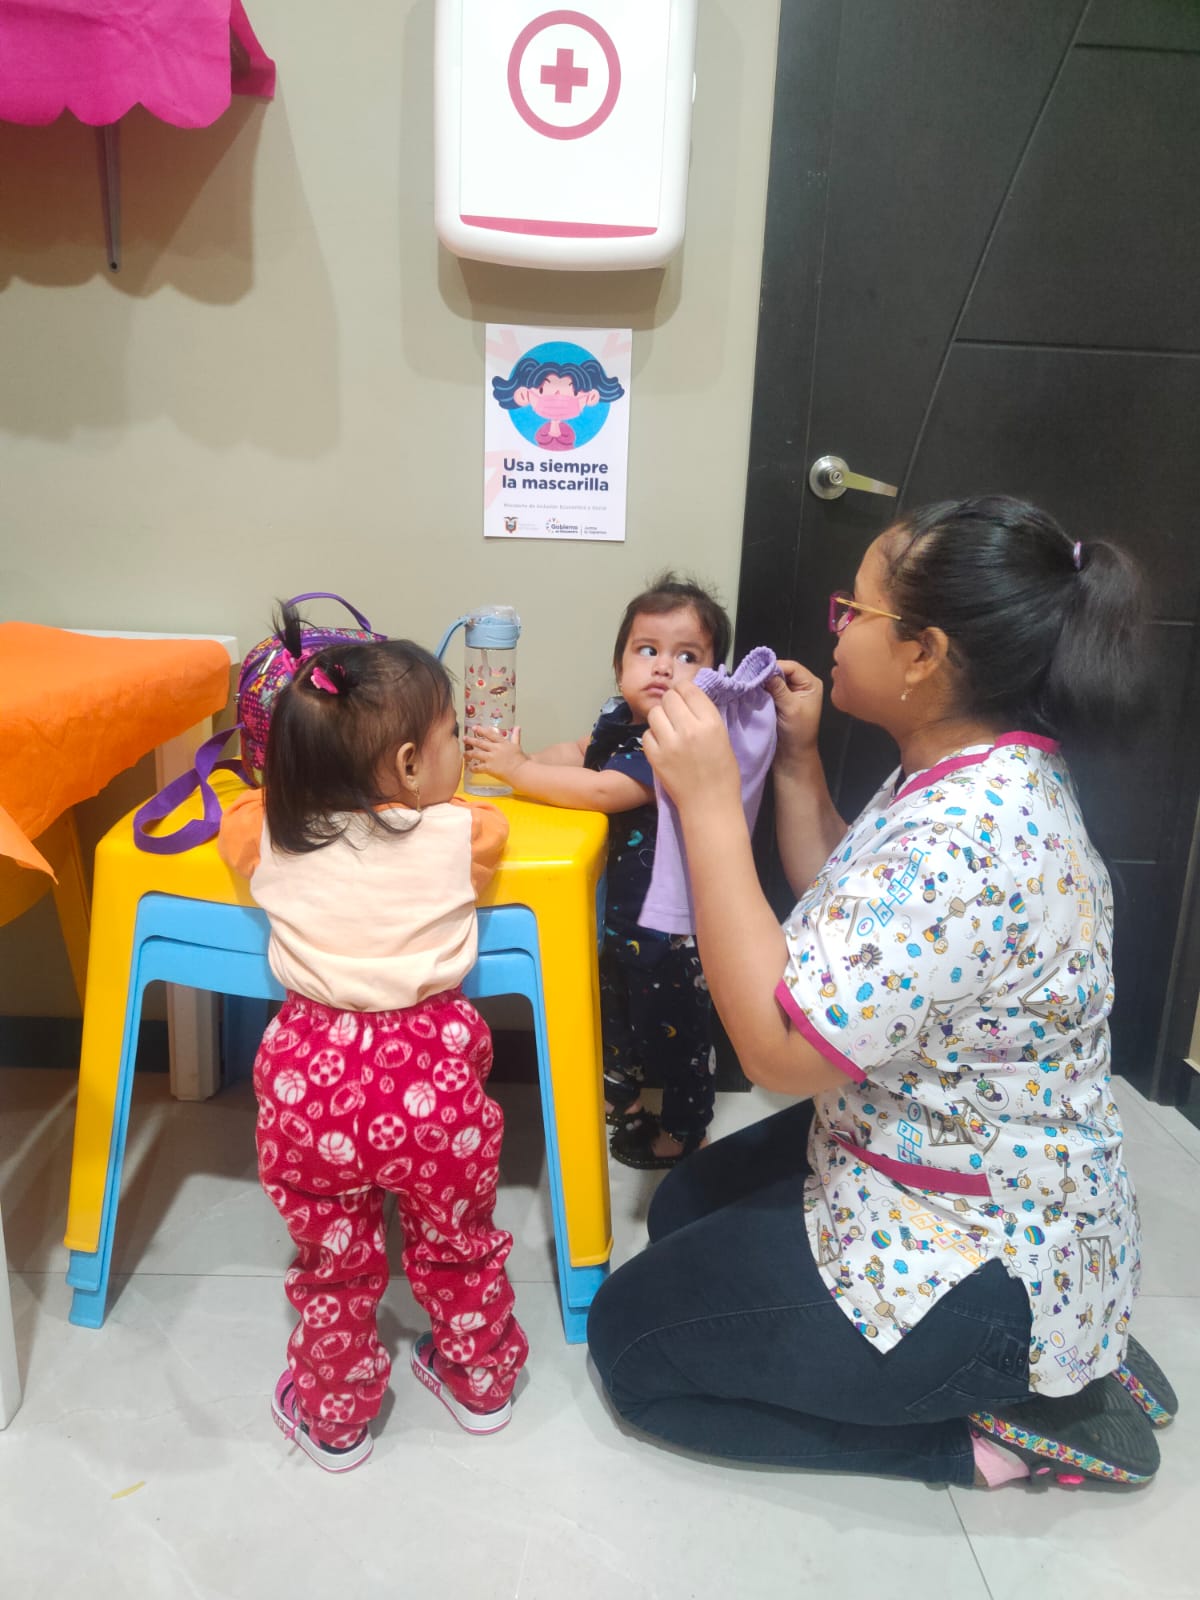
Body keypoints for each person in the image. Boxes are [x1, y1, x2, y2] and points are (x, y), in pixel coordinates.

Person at [587, 496, 1178, 1488]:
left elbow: (778, 1051)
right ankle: (1065, 1352)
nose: (836, 629)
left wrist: (707, 802)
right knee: (682, 1209)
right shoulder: (970, 767)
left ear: (923, 654)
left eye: (853, 611)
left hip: (976, 1245)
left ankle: (1002, 1419)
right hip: (937, 1155)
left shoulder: (967, 836)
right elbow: (851, 909)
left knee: (632, 1346)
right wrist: (796, 758)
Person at [218, 612, 528, 1472]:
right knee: (459, 1240)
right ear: (409, 765)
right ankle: (480, 1385)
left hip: (310, 1080)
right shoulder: (462, 833)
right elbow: (486, 824)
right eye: (454, 735)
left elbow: (238, 818)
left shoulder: (272, 831)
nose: (462, 748)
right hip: (433, 1079)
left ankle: (335, 1420)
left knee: (333, 1260)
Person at [466, 574, 732, 1169]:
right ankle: (624, 1103)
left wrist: (519, 774)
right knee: (613, 1015)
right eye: (648, 650)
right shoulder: (620, 720)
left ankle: (687, 1132)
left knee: (680, 1035)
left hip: (670, 929)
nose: (663, 667)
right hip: (619, 917)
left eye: (687, 657)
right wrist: (525, 761)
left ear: (712, 681)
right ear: (619, 668)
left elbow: (606, 789)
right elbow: (581, 754)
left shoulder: (677, 742)